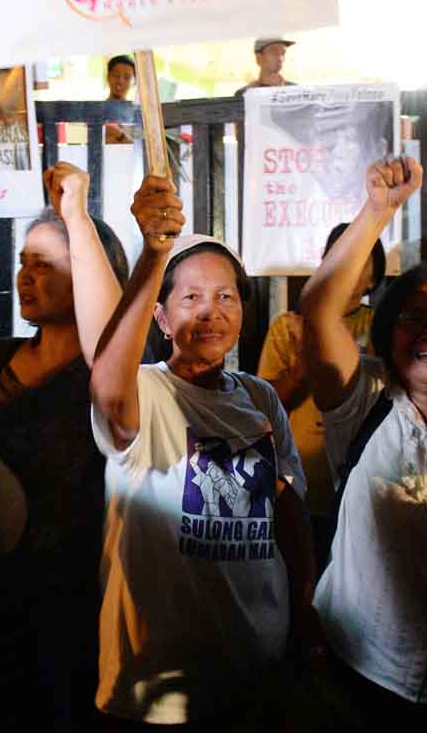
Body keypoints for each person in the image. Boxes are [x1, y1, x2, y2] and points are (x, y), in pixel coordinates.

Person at [90, 179, 317, 726]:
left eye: (225, 296)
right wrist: (153, 253)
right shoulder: (143, 390)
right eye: (190, 297)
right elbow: (106, 375)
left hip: (255, 669)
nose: (209, 312)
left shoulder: (259, 396)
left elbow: (289, 516)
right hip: (160, 687)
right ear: (162, 319)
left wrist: (305, 616)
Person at [300, 156, 427, 717]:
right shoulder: (363, 402)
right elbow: (318, 311)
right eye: (412, 319)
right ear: (387, 335)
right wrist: (377, 211)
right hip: (358, 679)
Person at [0, 161, 128, 732]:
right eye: (22, 263)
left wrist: (75, 216)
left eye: (45, 265)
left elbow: (111, 335)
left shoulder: (108, 375)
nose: (25, 277)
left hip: (72, 601)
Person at [257, 223, 384, 542]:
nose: (347, 265)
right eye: (339, 255)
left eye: (360, 257)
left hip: (363, 481)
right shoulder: (288, 327)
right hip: (296, 482)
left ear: (373, 278)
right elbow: (262, 408)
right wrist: (301, 369)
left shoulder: (383, 329)